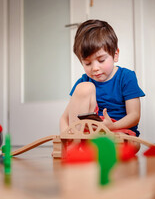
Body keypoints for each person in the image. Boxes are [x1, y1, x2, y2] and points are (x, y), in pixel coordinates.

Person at [60, 19, 145, 149]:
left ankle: (93, 150)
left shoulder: (126, 77)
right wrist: (67, 135)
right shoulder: (84, 82)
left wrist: (113, 126)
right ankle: (76, 145)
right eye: (87, 63)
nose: (95, 68)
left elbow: (134, 115)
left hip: (118, 131)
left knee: (132, 145)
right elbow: (64, 118)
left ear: (115, 55)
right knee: (83, 88)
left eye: (101, 60)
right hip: (90, 134)